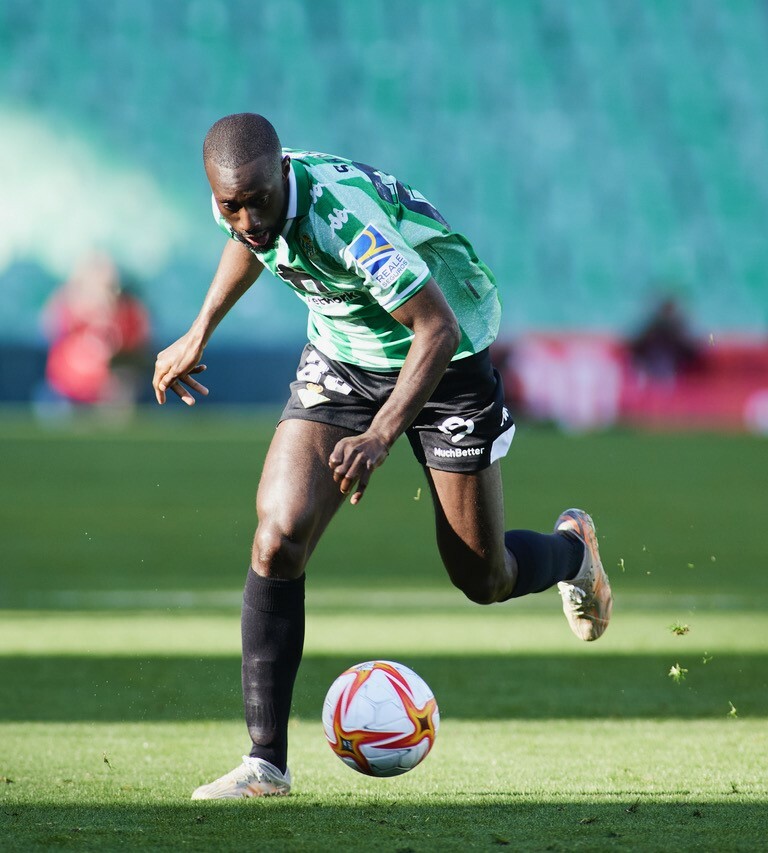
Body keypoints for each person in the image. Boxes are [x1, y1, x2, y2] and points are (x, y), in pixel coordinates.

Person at [154, 113, 613, 799]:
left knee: (482, 577)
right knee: (278, 533)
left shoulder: (346, 221)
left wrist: (380, 434)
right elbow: (253, 244)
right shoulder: (242, 193)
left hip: (444, 361)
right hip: (345, 357)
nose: (247, 217)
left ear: (283, 173)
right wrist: (199, 330)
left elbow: (436, 327)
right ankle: (265, 764)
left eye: (258, 200)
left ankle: (574, 553)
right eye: (230, 205)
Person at [40, 251, 151, 419]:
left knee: (120, 398)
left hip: (109, 391)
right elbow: (48, 329)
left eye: (109, 287)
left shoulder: (128, 312)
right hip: (66, 390)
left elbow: (141, 348)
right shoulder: (67, 306)